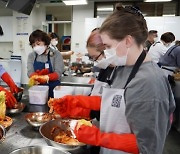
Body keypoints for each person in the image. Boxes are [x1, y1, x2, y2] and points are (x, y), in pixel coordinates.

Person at [48, 4, 175, 154]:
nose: (106, 52)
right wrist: (76, 103)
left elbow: (148, 146)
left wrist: (98, 137)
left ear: (128, 41)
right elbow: (116, 102)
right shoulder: (122, 68)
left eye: (108, 46)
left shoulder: (149, 83)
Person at [27, 30, 64, 98]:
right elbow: (30, 72)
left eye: (38, 44)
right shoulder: (31, 56)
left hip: (53, 90)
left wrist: (45, 77)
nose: (36, 47)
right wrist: (35, 78)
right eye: (33, 45)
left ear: (45, 42)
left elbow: (58, 73)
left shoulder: (56, 54)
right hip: (38, 91)